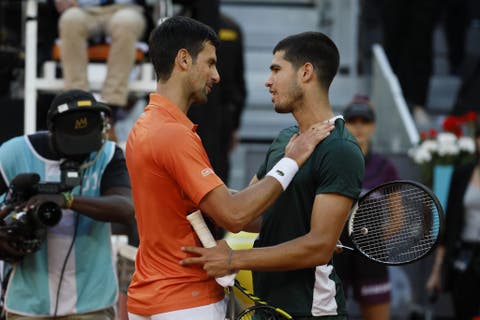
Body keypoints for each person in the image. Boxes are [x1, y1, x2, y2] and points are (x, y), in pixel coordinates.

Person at [125, 16, 334, 320]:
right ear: (184, 60)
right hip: (186, 302)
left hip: (148, 299)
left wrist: (305, 223)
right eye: (210, 63)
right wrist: (292, 160)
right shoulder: (173, 134)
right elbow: (234, 214)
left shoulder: (143, 126)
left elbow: (220, 203)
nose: (217, 75)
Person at [181, 31, 365, 319]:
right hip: (267, 308)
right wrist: (194, 188)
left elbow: (318, 246)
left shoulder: (340, 148)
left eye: (276, 70)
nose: (268, 81)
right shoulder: (285, 139)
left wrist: (233, 259)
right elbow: (251, 216)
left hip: (311, 312)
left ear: (306, 72)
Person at [0, 89, 134, 319]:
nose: (82, 152)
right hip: (28, 301)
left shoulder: (107, 153)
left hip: (92, 301)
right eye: (73, 143)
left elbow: (125, 207)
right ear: (52, 129)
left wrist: (67, 201)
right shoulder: (13, 153)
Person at [333, 95, 399, 320]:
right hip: (335, 250)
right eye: (353, 121)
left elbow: (398, 219)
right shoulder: (332, 161)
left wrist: (371, 242)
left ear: (374, 126)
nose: (359, 127)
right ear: (344, 124)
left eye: (365, 121)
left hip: (371, 255)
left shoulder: (385, 167)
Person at [426, 120, 480, 320]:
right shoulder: (463, 173)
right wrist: (436, 270)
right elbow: (448, 227)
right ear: (476, 140)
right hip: (464, 257)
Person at [55, 0, 146, 114]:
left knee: (126, 23)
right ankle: (77, 100)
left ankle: (111, 105)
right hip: (84, 9)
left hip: (125, 8)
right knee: (70, 19)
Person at [187, 12, 247, 183]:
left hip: (219, 116)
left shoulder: (231, 28)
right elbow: (239, 81)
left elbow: (238, 79)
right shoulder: (231, 27)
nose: (215, 75)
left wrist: (234, 125)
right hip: (216, 115)